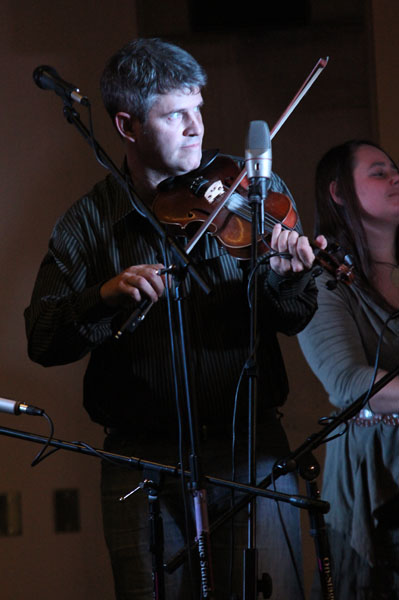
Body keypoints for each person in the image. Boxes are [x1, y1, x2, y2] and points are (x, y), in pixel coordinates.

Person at [25, 38, 325, 599]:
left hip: (252, 449)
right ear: (127, 125)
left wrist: (290, 275)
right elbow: (41, 338)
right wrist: (104, 296)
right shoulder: (89, 223)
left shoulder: (256, 193)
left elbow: (295, 315)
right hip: (139, 462)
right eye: (175, 115)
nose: (197, 129)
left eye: (199, 110)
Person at [298, 140, 399, 598]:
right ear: (339, 192)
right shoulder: (323, 282)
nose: (396, 176)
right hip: (376, 473)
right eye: (379, 172)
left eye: (394, 169)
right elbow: (347, 383)